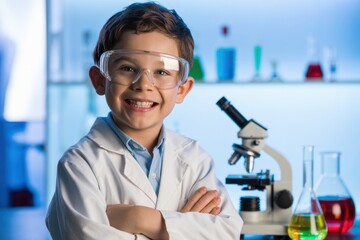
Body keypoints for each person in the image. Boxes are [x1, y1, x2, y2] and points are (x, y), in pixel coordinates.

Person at [46, 2, 243, 239]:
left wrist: (142, 219)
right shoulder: (79, 164)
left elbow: (226, 232)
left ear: (182, 89)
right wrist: (181, 227)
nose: (143, 84)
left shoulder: (194, 158)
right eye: (128, 68)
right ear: (99, 80)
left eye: (162, 72)